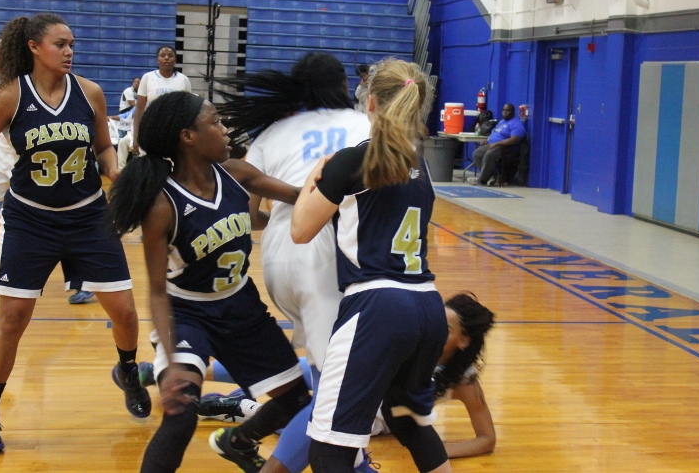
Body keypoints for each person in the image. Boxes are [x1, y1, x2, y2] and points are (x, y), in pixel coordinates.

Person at [0, 13, 150, 455]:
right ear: (33, 47)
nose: (68, 51)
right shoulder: (10, 97)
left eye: (71, 45)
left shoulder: (90, 92)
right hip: (31, 219)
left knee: (124, 312)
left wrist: (115, 170)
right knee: (11, 320)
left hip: (88, 216)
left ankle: (127, 370)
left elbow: (103, 146)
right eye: (60, 44)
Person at [107, 91, 312, 473]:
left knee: (297, 399)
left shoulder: (237, 173)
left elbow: (302, 197)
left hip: (241, 306)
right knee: (181, 414)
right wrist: (170, 360)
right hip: (187, 312)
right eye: (216, 121)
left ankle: (238, 441)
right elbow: (156, 291)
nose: (225, 129)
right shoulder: (162, 204)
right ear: (188, 137)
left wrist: (343, 175)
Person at [291, 58, 453, 473]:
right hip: (428, 306)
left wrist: (314, 176)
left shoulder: (353, 161)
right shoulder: (422, 166)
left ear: (371, 102)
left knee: (328, 450)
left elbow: (300, 230)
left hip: (377, 307)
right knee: (408, 421)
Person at [213, 52, 372, 473]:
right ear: (344, 85)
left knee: (327, 380)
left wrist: (281, 217)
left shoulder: (274, 131)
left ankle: (352, 462)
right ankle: (250, 446)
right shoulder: (364, 125)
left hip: (277, 258)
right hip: (326, 259)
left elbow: (247, 213)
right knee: (337, 393)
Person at [202, 292, 497, 460]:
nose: (433, 328)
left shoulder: (463, 381)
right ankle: (196, 370)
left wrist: (438, 450)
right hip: (350, 384)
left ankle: (241, 407)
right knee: (290, 369)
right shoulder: (413, 337)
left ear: (463, 341)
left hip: (360, 418)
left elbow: (487, 439)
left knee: (301, 414)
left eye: (445, 328)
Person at [0, 71, 94, 305]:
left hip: (33, 157)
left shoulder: (42, 79)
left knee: (59, 210)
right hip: (1, 155)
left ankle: (80, 278)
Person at [130, 45, 191, 156]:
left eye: (170, 56)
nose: (166, 58)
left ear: (175, 60)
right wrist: (136, 137)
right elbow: (139, 110)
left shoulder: (183, 80)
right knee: (151, 164)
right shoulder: (148, 77)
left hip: (174, 132)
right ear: (157, 60)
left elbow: (188, 110)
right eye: (163, 55)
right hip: (151, 130)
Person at [467, 103, 525, 186]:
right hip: (492, 144)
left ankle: (481, 180)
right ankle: (492, 176)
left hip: (506, 148)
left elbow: (515, 140)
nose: (505, 112)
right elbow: (495, 133)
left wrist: (496, 144)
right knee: (477, 154)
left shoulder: (516, 124)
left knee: (489, 155)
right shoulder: (501, 122)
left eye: (507, 110)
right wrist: (487, 139)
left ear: (512, 112)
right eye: (503, 110)